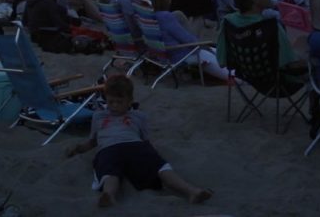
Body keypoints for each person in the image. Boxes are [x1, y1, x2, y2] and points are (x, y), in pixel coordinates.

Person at [65, 75, 212, 208]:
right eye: (111, 102)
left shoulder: (138, 116)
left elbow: (145, 140)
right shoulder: (98, 116)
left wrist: (152, 155)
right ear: (106, 99)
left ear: (130, 101)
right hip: (109, 149)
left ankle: (191, 191)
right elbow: (92, 142)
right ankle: (109, 195)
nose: (114, 106)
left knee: (160, 168)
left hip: (134, 146)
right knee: (110, 173)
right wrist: (78, 148)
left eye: (119, 102)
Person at [216, 0, 306, 86]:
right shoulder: (270, 26)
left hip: (246, 76)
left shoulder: (228, 22)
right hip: (279, 82)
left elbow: (222, 60)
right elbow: (289, 63)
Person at [142, 0, 228, 80]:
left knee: (218, 52)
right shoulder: (165, 17)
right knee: (233, 74)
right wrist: (203, 44)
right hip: (182, 55)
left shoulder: (145, 16)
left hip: (165, 54)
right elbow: (189, 40)